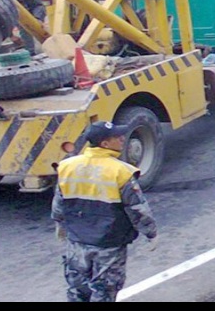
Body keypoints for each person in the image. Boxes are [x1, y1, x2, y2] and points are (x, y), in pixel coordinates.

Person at [51, 121, 158, 302]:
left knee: (77, 290)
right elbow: (137, 208)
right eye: (117, 137)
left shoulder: (67, 166)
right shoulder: (120, 171)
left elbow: (59, 202)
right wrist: (150, 233)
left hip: (77, 241)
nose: (123, 139)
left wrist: (60, 225)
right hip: (109, 243)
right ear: (105, 144)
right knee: (104, 291)